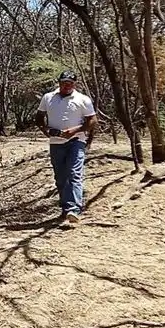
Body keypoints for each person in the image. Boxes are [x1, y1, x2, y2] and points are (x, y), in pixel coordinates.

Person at [36, 70, 98, 227]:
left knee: (74, 173)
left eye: (70, 83)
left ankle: (74, 209)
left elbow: (92, 121)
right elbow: (39, 117)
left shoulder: (83, 99)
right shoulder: (48, 98)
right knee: (60, 176)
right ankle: (65, 208)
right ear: (59, 82)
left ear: (74, 84)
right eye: (64, 83)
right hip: (56, 142)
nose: (67, 86)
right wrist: (46, 131)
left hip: (76, 141)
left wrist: (75, 131)